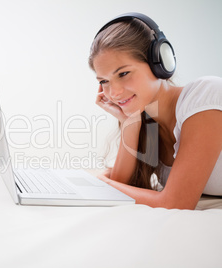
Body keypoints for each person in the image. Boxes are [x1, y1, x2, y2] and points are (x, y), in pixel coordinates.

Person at [88, 13, 222, 210]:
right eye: (104, 81)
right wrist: (129, 123)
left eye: (123, 73)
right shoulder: (149, 124)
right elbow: (123, 186)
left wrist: (102, 184)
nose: (114, 93)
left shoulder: (206, 95)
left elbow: (177, 203)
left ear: (160, 63)